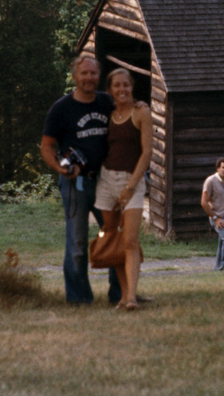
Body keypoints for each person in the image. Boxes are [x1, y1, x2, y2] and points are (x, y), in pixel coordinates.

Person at [41, 55, 121, 305]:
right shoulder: (61, 108)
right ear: (75, 76)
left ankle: (120, 294)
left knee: (113, 236)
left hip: (105, 181)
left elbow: (128, 113)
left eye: (93, 74)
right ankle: (79, 299)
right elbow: (46, 146)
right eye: (84, 73)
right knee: (76, 243)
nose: (89, 78)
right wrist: (60, 168)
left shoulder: (107, 102)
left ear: (99, 76)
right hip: (76, 184)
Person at [94, 68, 152, 311]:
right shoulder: (107, 114)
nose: (122, 90)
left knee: (129, 241)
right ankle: (123, 295)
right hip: (107, 180)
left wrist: (129, 187)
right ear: (110, 90)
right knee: (115, 238)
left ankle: (132, 298)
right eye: (117, 86)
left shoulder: (141, 111)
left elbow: (147, 153)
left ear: (132, 87)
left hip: (133, 181)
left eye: (126, 85)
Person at [202, 157, 224, 271]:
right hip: (218, 217)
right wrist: (215, 218)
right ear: (218, 168)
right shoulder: (211, 181)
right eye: (223, 167)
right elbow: (204, 202)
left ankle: (220, 268)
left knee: (223, 242)